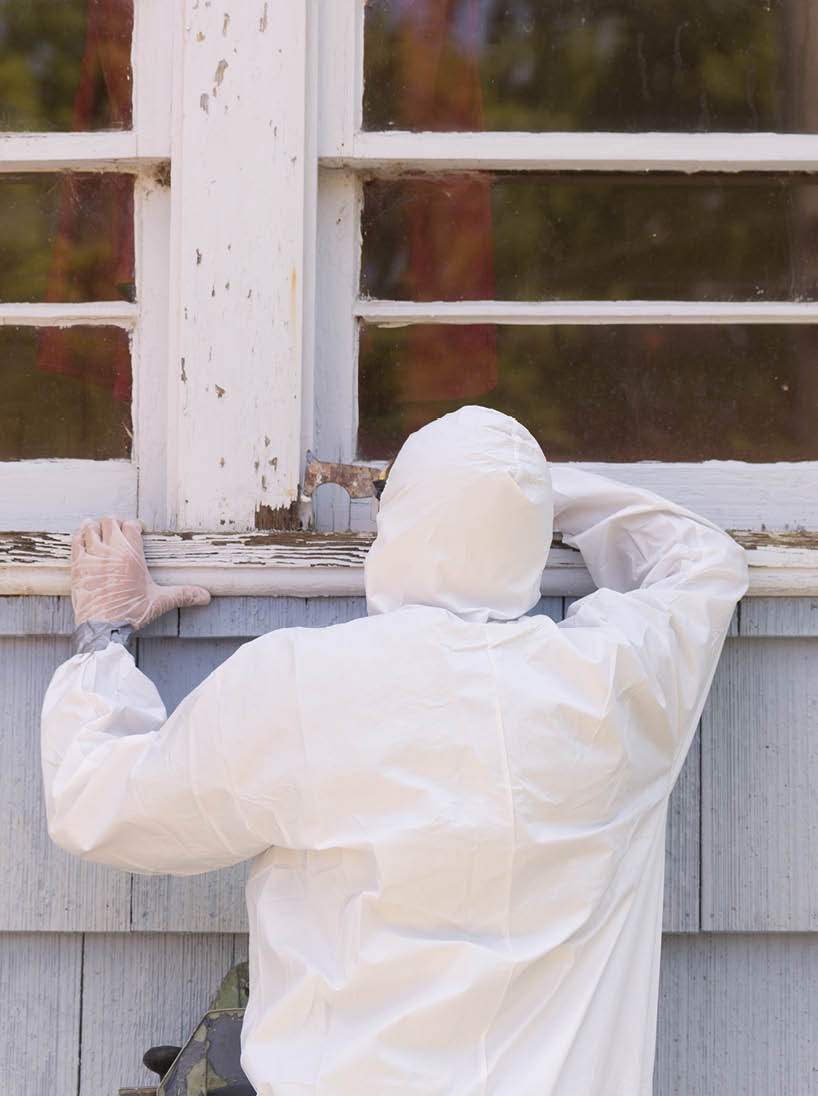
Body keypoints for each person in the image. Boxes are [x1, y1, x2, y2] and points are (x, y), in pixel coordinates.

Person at [41, 406, 748, 1095]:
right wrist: (516, 493)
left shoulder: (303, 684)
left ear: (400, 522)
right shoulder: (613, 686)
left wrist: (103, 637)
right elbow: (701, 559)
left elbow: (99, 802)